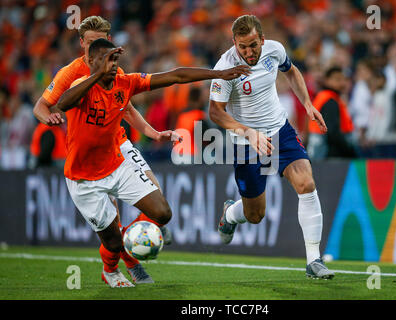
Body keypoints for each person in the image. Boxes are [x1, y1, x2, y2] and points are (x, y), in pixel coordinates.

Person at [51, 38, 249, 288]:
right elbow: (63, 103)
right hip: (83, 178)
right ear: (90, 61)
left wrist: (218, 73)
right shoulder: (82, 86)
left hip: (116, 164)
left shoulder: (125, 83)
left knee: (162, 213)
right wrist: (96, 75)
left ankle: (130, 240)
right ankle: (110, 270)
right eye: (105, 59)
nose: (112, 65)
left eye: (114, 59)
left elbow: (176, 76)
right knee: (111, 243)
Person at [32, 16, 179, 285]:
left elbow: (127, 107)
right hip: (87, 148)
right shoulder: (70, 72)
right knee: (112, 220)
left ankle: (145, 230)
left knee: (153, 190)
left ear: (108, 41)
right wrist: (47, 119)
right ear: (81, 43)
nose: (93, 50)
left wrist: (152, 132)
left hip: (118, 140)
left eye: (100, 42)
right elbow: (42, 105)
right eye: (88, 43)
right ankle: (128, 260)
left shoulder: (113, 66)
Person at [209, 15, 334, 279]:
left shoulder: (275, 50)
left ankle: (314, 260)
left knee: (306, 184)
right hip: (246, 142)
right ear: (234, 43)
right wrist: (248, 133)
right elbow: (216, 113)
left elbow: (292, 72)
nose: (248, 52)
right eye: (242, 46)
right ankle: (231, 214)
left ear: (262, 39)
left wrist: (307, 104)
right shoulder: (225, 67)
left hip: (280, 130)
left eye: (253, 45)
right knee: (255, 215)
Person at [307, 66, 356, 159]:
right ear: (327, 80)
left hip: (317, 150)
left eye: (343, 79)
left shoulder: (322, 97)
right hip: (328, 154)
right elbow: (332, 131)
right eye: (337, 79)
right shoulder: (330, 101)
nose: (342, 83)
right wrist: (349, 150)